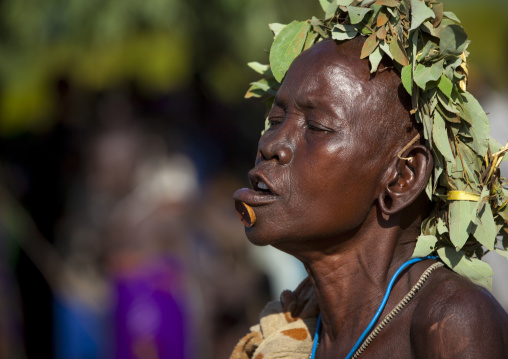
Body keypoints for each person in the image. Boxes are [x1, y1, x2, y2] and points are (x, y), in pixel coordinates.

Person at [230, 2, 508, 358]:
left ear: (402, 177)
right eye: (274, 120)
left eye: (316, 127)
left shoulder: (449, 320)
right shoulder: (292, 330)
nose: (272, 145)